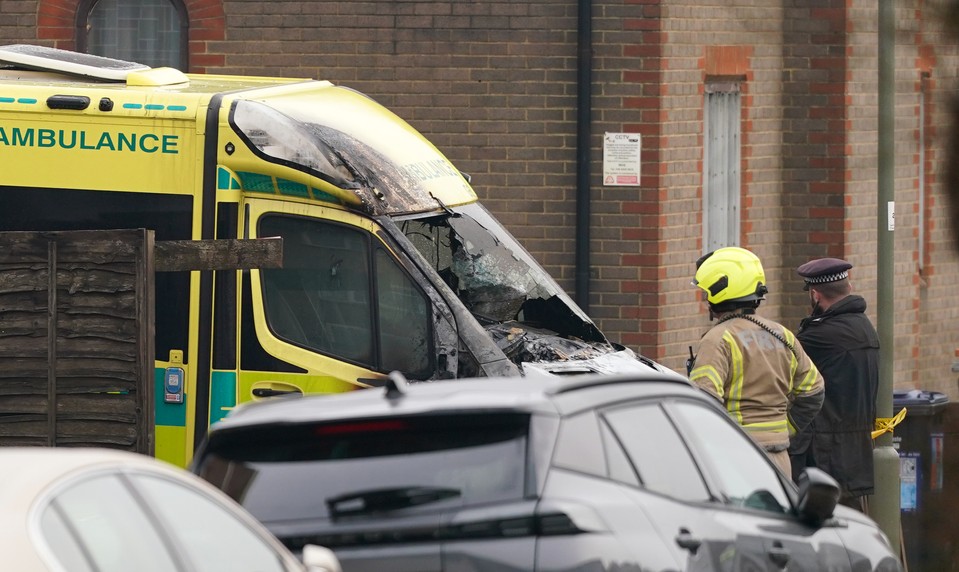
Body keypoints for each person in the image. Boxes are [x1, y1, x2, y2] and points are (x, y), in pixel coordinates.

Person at [688, 247, 825, 476]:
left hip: (738, 458)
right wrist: (784, 428)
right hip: (780, 459)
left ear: (719, 291)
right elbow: (814, 391)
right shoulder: (783, 335)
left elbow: (703, 401)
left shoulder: (718, 340)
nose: (704, 298)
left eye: (706, 291)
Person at [787, 258, 880, 512]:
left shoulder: (821, 335)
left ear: (815, 295)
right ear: (848, 288)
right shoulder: (863, 327)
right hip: (853, 452)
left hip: (824, 455)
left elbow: (782, 370)